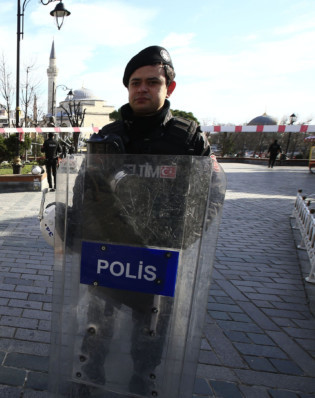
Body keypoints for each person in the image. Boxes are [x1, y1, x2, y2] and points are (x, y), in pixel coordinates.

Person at [77, 46, 213, 395]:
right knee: (96, 327)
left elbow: (210, 196)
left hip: (158, 256)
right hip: (110, 250)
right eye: (135, 82)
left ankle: (142, 380)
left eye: (152, 82)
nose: (142, 89)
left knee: (150, 331)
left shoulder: (188, 139)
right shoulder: (107, 137)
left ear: (170, 87)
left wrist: (181, 239)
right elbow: (83, 190)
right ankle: (88, 378)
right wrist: (76, 233)